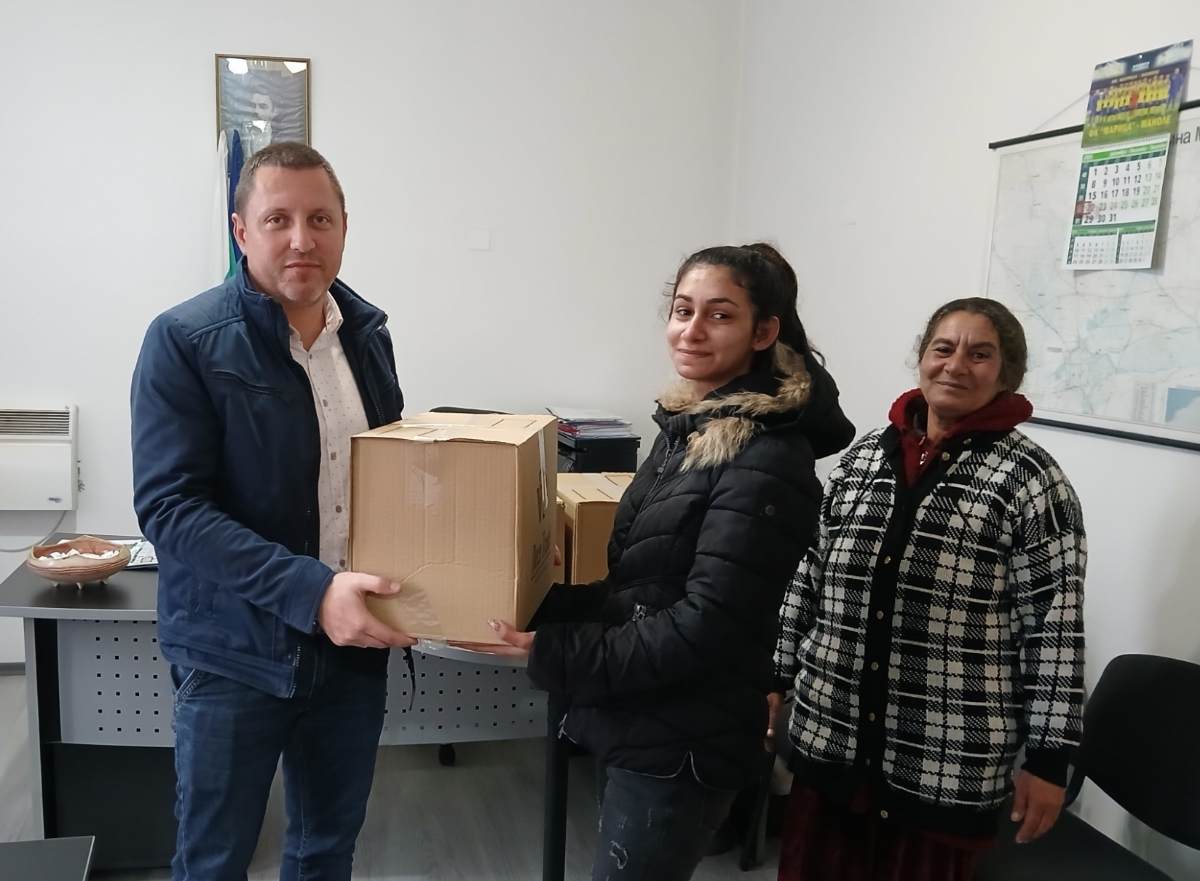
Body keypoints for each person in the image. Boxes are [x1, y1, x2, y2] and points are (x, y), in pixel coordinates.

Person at [491, 243, 856, 881]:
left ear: (763, 332)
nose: (691, 331)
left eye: (720, 315)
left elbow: (706, 627)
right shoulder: (687, 430)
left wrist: (557, 650)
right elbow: (643, 587)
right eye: (683, 310)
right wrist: (543, 601)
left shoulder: (766, 459)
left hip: (686, 738)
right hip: (643, 714)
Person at [131, 142, 414, 881]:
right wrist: (312, 592)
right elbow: (170, 508)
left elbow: (384, 477)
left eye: (320, 219)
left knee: (325, 852)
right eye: (277, 219)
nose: (301, 239)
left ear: (344, 226)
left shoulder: (368, 338)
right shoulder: (184, 340)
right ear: (241, 231)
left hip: (351, 649)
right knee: (214, 862)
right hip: (234, 651)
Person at [771, 298, 1087, 881]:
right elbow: (809, 574)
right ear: (921, 358)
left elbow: (1054, 629)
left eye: (980, 355)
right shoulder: (864, 460)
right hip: (830, 736)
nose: (956, 365)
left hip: (946, 760)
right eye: (943, 348)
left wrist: (1049, 759)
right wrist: (776, 676)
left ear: (1007, 374)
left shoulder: (1032, 481)